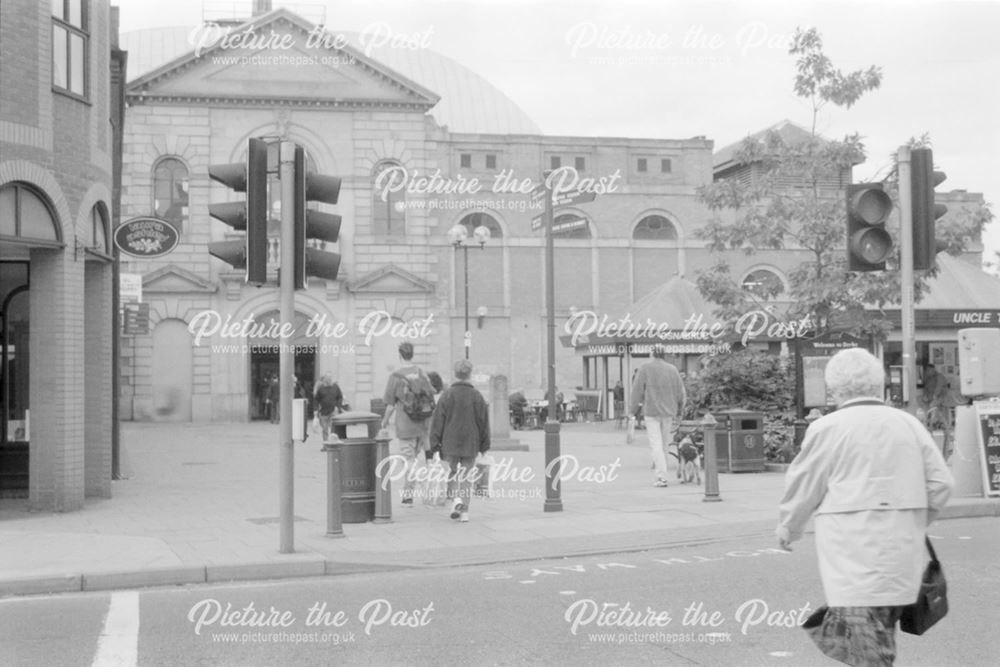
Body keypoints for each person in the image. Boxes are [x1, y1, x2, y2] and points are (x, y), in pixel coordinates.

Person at [777, 348, 953, 666]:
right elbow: (941, 484)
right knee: (877, 639)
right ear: (879, 384)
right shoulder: (908, 424)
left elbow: (804, 486)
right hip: (901, 556)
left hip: (852, 558)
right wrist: (914, 519)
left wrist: (789, 527)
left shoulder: (827, 428)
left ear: (835, 388)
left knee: (869, 653)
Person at [430, 359, 491, 522]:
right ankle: (464, 512)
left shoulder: (447, 395)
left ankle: (455, 500)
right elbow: (483, 422)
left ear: (455, 374)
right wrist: (485, 445)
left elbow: (438, 421)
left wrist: (435, 444)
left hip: (450, 442)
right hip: (471, 442)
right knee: (466, 476)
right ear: (469, 374)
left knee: (452, 473)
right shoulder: (477, 396)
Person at [380, 342, 433, 506]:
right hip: (422, 425)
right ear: (412, 354)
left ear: (400, 355)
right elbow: (431, 394)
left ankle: (424, 491)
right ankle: (408, 496)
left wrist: (384, 421)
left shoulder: (395, 376)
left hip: (405, 425)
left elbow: (390, 404)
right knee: (413, 459)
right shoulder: (421, 372)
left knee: (409, 461)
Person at [629, 345, 686, 487]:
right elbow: (681, 392)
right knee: (664, 444)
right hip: (668, 412)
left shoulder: (645, 368)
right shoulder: (672, 369)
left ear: (652, 354)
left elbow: (637, 391)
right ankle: (663, 474)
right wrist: (680, 410)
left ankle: (661, 476)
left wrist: (632, 410)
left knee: (656, 444)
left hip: (652, 411)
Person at [921, 363, 954, 458]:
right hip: (932, 401)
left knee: (933, 409)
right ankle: (930, 428)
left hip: (941, 400)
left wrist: (935, 398)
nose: (927, 372)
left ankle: (948, 445)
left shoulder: (939, 377)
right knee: (927, 413)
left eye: (929, 370)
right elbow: (926, 389)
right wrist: (925, 396)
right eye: (926, 370)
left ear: (933, 369)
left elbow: (938, 388)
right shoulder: (928, 378)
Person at [313, 374, 345, 442]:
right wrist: (316, 410)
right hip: (323, 412)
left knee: (333, 428)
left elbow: (340, 397)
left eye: (330, 378)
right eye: (327, 379)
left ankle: (332, 442)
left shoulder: (335, 387)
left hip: (333, 411)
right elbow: (316, 400)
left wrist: (338, 406)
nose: (329, 380)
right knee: (325, 429)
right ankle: (325, 444)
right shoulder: (321, 388)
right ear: (325, 380)